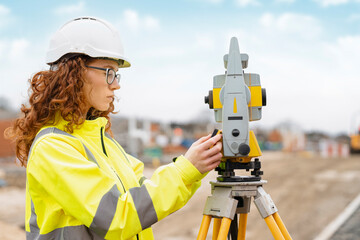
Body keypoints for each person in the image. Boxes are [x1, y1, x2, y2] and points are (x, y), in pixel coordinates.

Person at [5, 17, 222, 239]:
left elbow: (144, 197)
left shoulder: (105, 143)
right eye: (108, 71)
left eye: (116, 74)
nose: (116, 84)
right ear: (74, 72)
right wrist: (185, 170)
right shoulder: (52, 147)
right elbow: (114, 217)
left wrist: (194, 166)